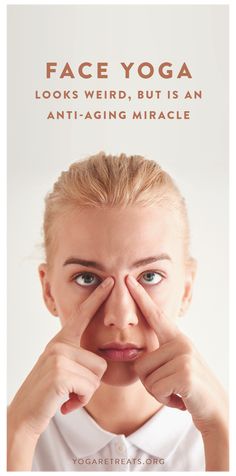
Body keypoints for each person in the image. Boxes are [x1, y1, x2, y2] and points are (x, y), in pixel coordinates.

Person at [7, 152, 228, 471]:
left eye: (149, 276)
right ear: (48, 290)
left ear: (186, 289)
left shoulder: (222, 435)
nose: (120, 315)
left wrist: (221, 434)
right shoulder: (13, 434)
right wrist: (17, 435)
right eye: (87, 278)